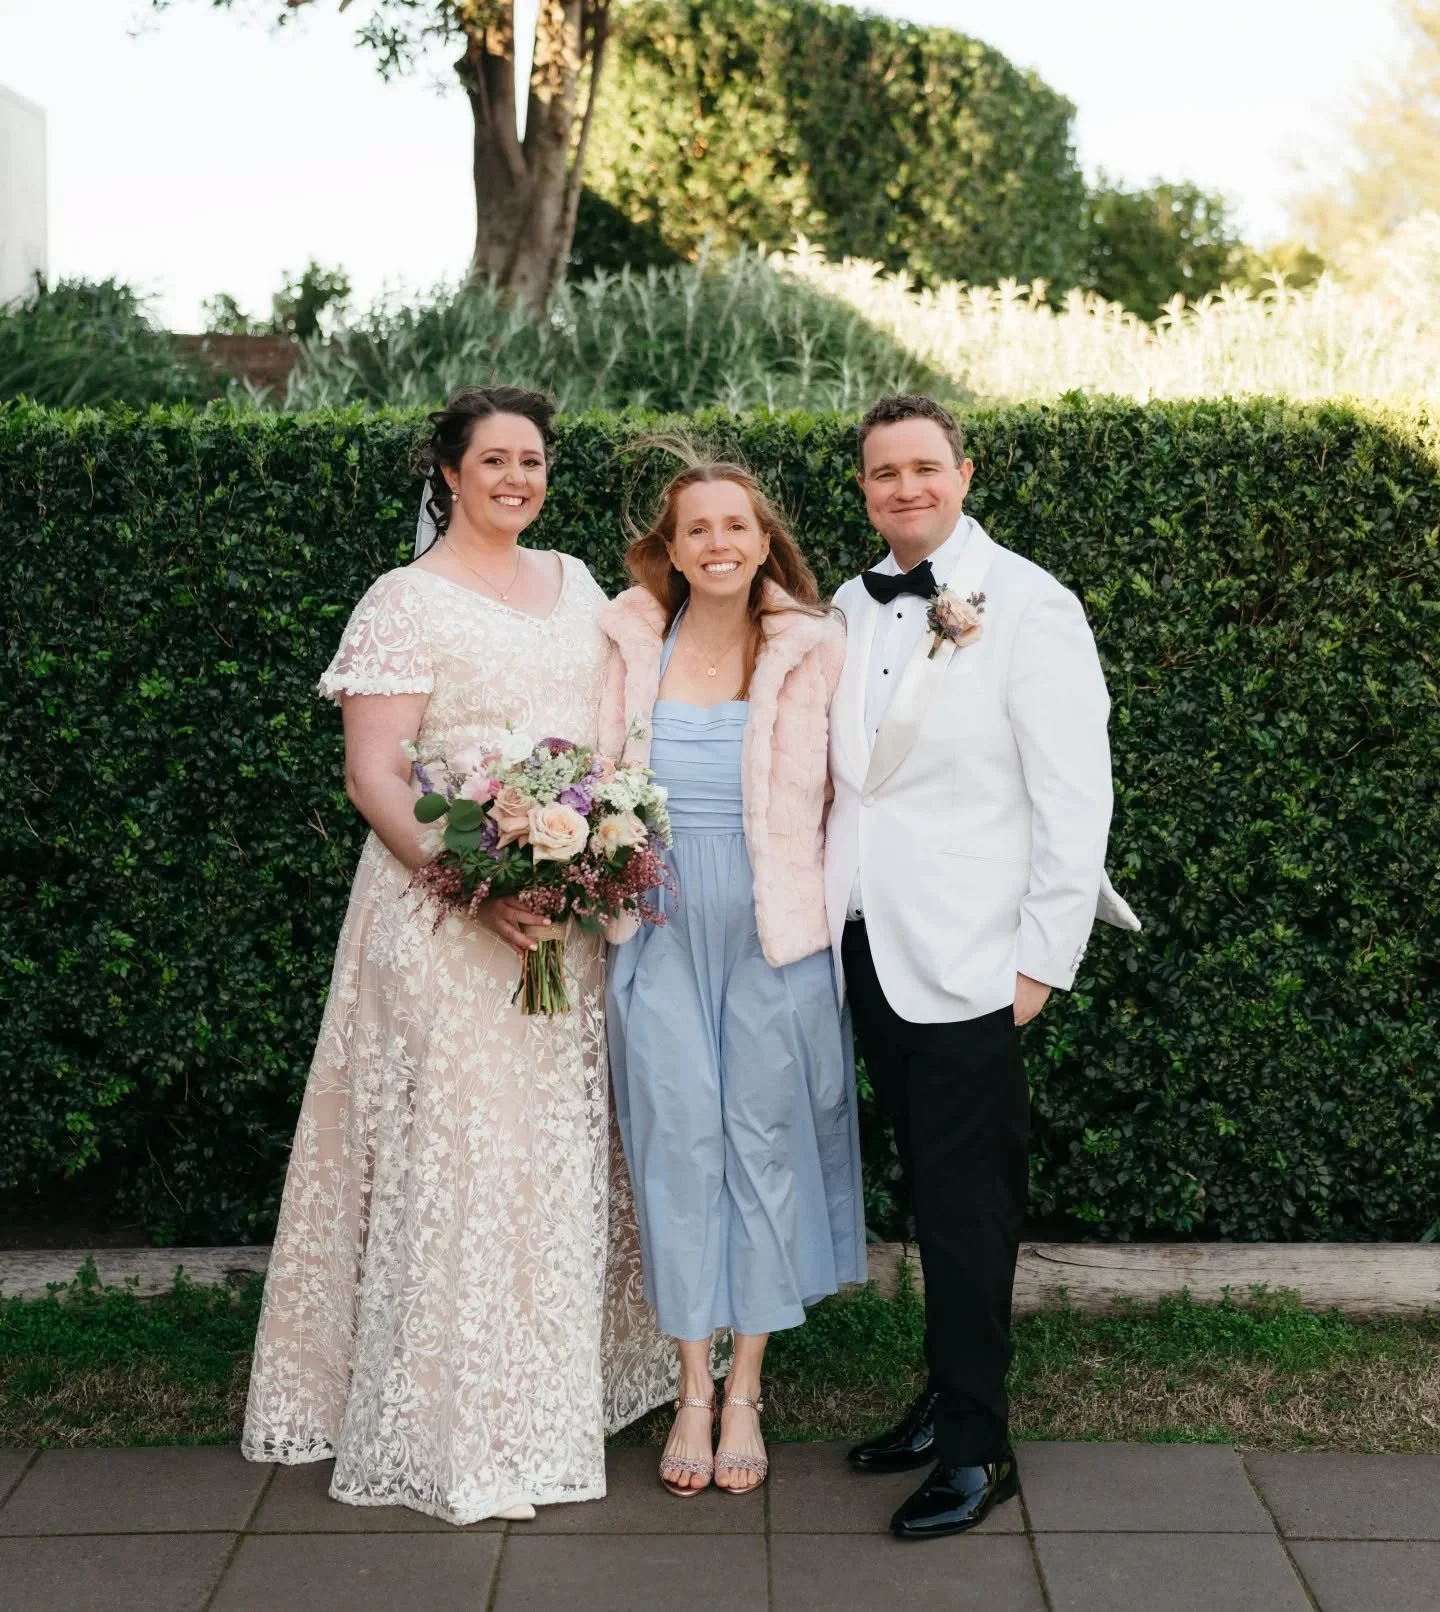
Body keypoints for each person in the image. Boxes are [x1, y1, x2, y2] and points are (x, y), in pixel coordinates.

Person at [242, 386, 675, 1525]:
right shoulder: (402, 600)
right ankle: (448, 1417)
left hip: (561, 923)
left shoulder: (580, 583)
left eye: (532, 459)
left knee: (552, 1152)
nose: (517, 479)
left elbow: (621, 727)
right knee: (459, 1152)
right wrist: (471, 885)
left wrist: (595, 844)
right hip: (440, 921)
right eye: (493, 459)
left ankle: (549, 1395)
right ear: (446, 471)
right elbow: (376, 773)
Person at [826, 394, 1139, 1541]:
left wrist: (1041, 964)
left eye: (923, 468)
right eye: (881, 473)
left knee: (969, 1210)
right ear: (862, 487)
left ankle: (979, 1448)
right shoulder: (848, 608)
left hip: (973, 961)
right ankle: (943, 1398)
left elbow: (1075, 796)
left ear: (965, 470)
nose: (904, 488)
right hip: (869, 947)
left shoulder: (1032, 605)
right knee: (927, 1189)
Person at [599, 456, 866, 1497]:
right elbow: (583, 771)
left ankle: (747, 1385)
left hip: (773, 935)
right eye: (694, 529)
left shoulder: (817, 647)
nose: (716, 543)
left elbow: (862, 796)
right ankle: (691, 1386)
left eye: (735, 527)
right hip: (657, 927)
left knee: (761, 1146)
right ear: (669, 548)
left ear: (764, 541)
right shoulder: (624, 642)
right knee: (678, 1143)